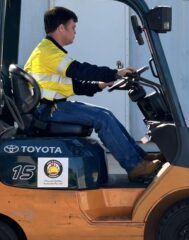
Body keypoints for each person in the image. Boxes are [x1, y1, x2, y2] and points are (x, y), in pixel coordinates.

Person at [25, 6, 160, 182]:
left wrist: (99, 85)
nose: (75, 32)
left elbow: (73, 84)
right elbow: (81, 71)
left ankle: (140, 159)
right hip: (48, 110)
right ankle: (135, 167)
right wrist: (115, 73)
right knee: (102, 119)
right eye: (73, 28)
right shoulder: (48, 53)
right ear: (61, 28)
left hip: (53, 106)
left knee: (105, 114)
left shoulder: (49, 51)